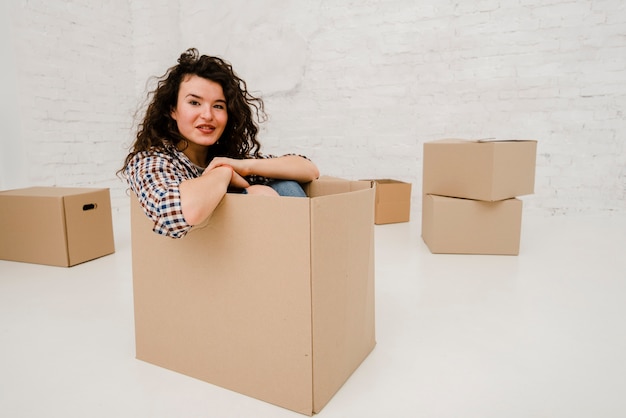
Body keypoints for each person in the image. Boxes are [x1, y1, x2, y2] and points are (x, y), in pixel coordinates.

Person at [119, 48, 319, 238]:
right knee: (260, 193)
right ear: (173, 109)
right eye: (194, 102)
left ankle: (302, 255)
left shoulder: (224, 156)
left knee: (285, 184)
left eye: (218, 106)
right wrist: (224, 174)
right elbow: (178, 213)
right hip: (200, 265)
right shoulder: (150, 161)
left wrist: (242, 166)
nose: (207, 115)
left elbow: (308, 169)